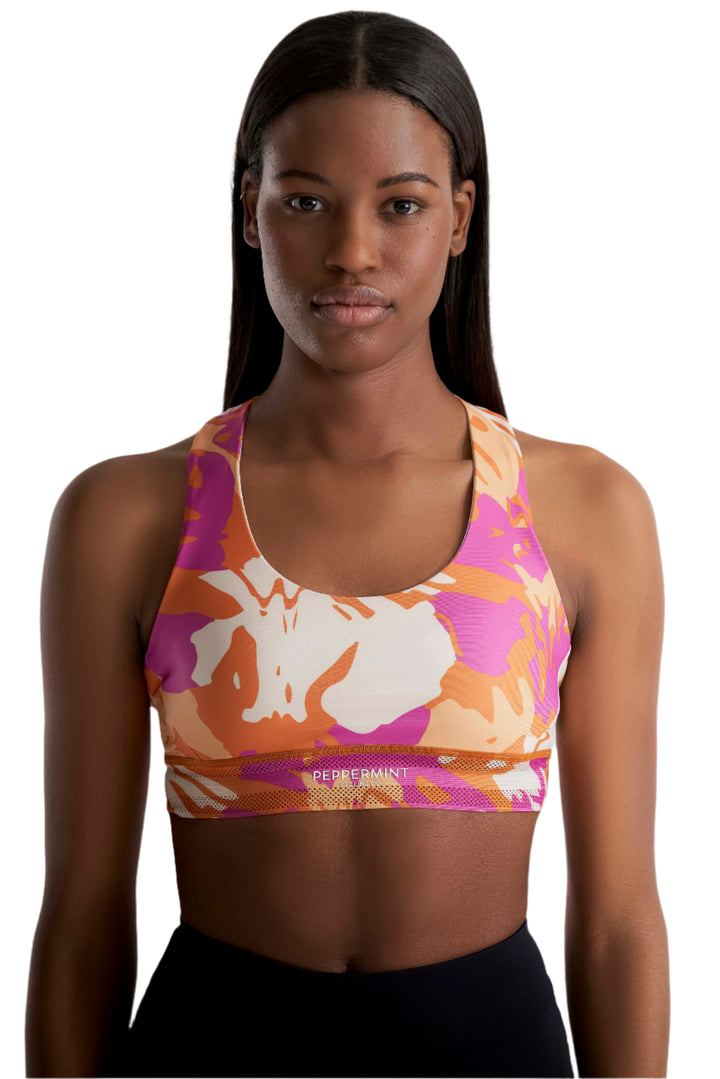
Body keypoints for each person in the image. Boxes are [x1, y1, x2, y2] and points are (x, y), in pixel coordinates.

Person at [25, 10, 670, 1079]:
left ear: (461, 218)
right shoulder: (128, 517)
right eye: (305, 200)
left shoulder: (585, 511)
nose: (352, 251)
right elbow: (82, 915)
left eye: (401, 204)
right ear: (250, 211)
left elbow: (617, 920)